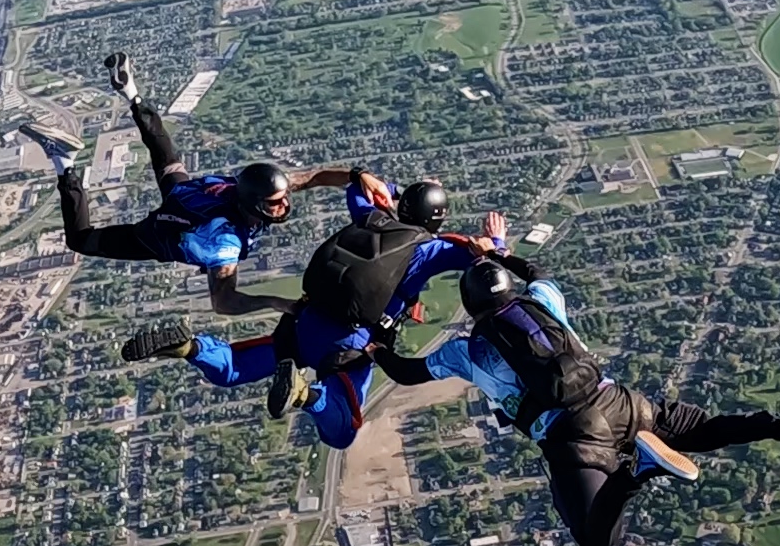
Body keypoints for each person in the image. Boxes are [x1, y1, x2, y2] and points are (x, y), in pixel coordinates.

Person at [368, 257, 780, 546]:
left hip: (574, 435)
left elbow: (407, 372)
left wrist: (378, 348)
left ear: (470, 305)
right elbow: (540, 272)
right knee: (708, 430)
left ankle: (638, 471)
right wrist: (499, 252)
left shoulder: (466, 351)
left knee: (597, 540)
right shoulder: (542, 303)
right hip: (620, 402)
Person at [120, 176, 508, 449]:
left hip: (303, 320)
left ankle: (190, 347)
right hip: (349, 342)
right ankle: (306, 395)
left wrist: (390, 189)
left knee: (234, 369)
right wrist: (497, 239)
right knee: (342, 430)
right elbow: (490, 261)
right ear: (435, 220)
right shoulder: (432, 249)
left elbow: (358, 187)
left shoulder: (369, 216)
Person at [17, 51, 361, 319]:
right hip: (156, 237)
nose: (284, 205)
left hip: (186, 197)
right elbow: (224, 302)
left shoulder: (249, 187)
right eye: (275, 202)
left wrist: (358, 177)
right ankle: (64, 162)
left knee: (165, 155)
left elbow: (314, 177)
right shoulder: (224, 245)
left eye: (283, 197)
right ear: (255, 204)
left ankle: (131, 93)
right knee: (80, 240)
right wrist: (276, 302)